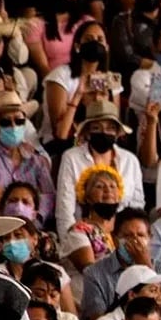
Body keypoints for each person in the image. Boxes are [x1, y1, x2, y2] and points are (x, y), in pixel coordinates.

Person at [56, 100, 144, 241]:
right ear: (88, 132)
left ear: (116, 132)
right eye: (97, 128)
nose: (104, 133)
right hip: (82, 234)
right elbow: (64, 209)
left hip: (123, 235)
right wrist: (72, 243)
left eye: (109, 128)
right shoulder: (71, 158)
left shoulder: (130, 160)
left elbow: (137, 206)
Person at [39, 19, 122, 155]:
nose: (95, 43)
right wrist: (79, 96)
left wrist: (102, 102)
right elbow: (60, 133)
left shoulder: (111, 79)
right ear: (77, 46)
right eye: (89, 39)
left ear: (106, 47)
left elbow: (114, 126)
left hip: (98, 142)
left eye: (100, 39)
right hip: (62, 143)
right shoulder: (60, 75)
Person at [81, 207, 161, 320]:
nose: (135, 241)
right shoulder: (94, 273)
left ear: (150, 238)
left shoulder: (160, 267)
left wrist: (146, 267)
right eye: (128, 236)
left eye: (140, 235)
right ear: (115, 240)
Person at [0, 91, 55, 224]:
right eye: (5, 122)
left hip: (33, 228)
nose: (14, 126)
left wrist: (34, 220)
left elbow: (48, 196)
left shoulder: (35, 158)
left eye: (19, 121)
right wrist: (29, 201)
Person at [0, 221, 78, 315]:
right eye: (6, 238)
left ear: (34, 239)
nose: (12, 242)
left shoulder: (56, 271)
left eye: (18, 235)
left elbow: (71, 315)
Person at [22, 0, 94, 79]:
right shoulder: (35, 24)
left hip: (84, 80)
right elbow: (43, 67)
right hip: (54, 81)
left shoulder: (87, 22)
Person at [60, 164, 119, 285]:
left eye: (113, 186)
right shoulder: (79, 231)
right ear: (87, 198)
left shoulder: (120, 231)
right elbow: (92, 273)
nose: (108, 190)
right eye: (99, 186)